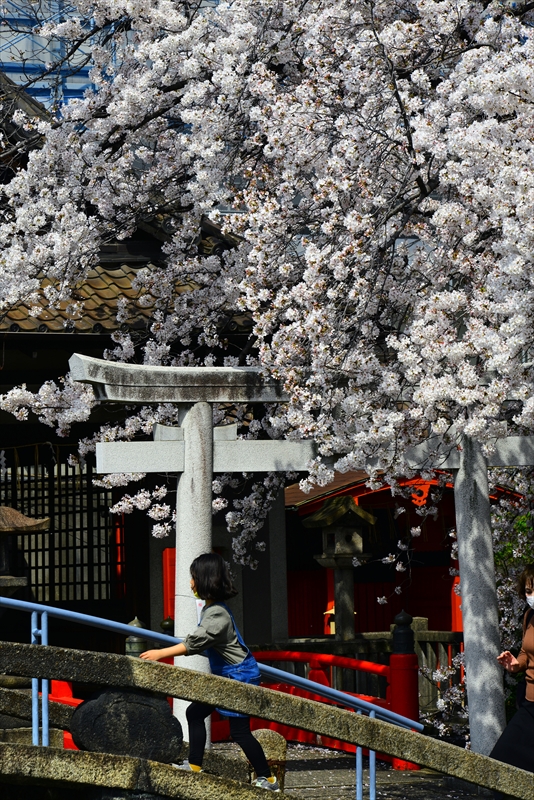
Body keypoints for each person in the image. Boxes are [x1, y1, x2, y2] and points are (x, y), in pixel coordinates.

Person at [140, 552, 279, 792]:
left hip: (237, 675)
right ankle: (195, 765)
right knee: (195, 713)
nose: (190, 583)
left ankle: (267, 779)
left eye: (193, 577)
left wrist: (160, 654)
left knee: (239, 732)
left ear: (205, 579)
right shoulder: (214, 609)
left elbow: (195, 642)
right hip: (229, 674)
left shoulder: (217, 613)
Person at [492, 564, 534, 796]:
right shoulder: (529, 616)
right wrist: (516, 664)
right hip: (529, 705)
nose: (532, 596)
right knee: (501, 763)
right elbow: (527, 652)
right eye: (528, 591)